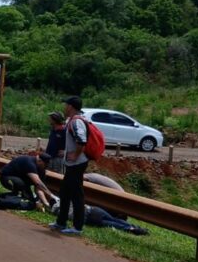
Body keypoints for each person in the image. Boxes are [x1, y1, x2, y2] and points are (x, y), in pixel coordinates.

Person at [50, 96, 89, 235]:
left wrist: (76, 154)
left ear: (71, 107)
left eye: (66, 105)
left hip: (77, 163)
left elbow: (82, 140)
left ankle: (77, 227)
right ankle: (61, 222)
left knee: (77, 195)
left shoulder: (77, 122)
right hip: (72, 163)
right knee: (65, 193)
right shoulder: (72, 120)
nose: (64, 107)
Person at [49, 199, 148, 235]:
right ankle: (134, 226)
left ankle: (130, 229)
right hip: (94, 209)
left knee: (111, 224)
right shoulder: (66, 200)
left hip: (89, 218)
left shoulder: (57, 210)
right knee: (114, 219)